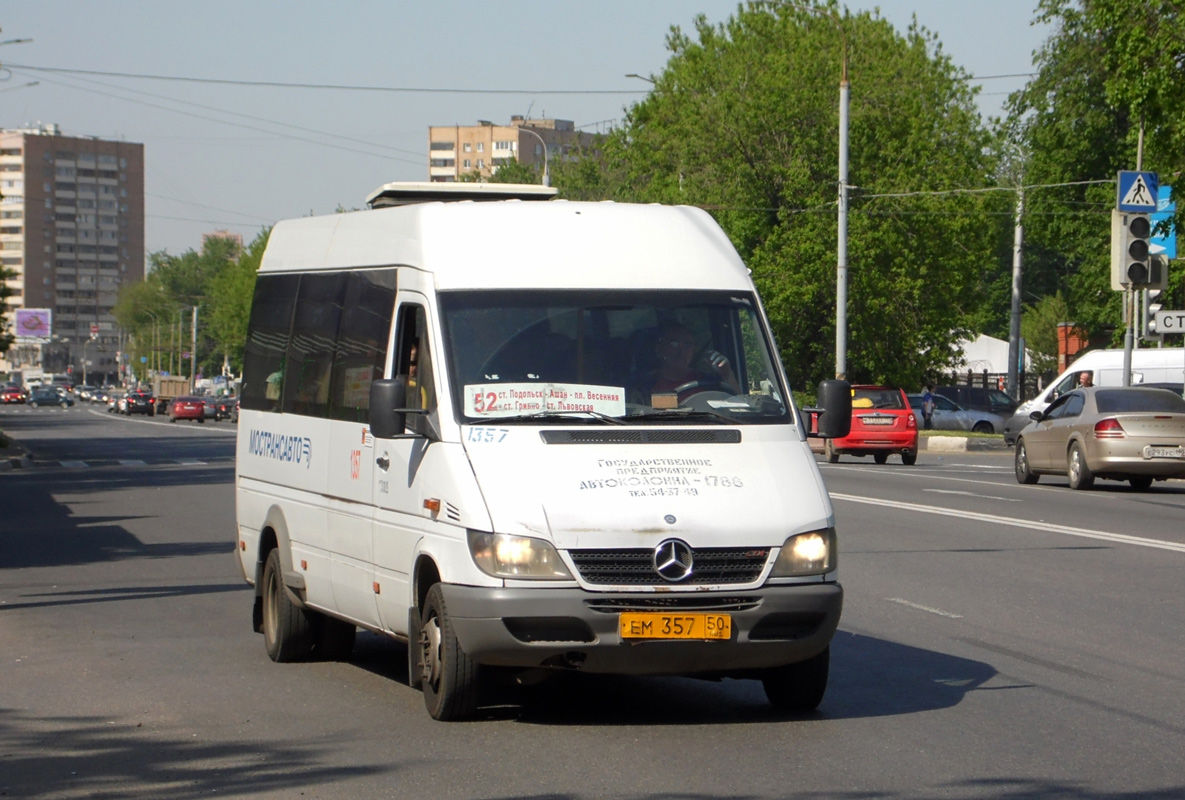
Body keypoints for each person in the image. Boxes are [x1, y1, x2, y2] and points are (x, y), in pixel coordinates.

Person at [648, 323, 739, 399]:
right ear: (659, 349)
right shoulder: (646, 385)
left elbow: (740, 405)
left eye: (687, 343)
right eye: (674, 343)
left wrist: (727, 374)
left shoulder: (707, 382)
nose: (682, 350)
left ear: (694, 350)